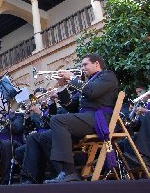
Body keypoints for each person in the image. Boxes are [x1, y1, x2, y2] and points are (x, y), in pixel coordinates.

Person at [45, 53, 119, 183]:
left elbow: (91, 91)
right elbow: (71, 106)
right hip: (87, 118)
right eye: (81, 65)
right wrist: (62, 86)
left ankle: (69, 172)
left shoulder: (107, 76)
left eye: (85, 64)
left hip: (99, 118)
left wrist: (73, 78)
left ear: (97, 64)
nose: (83, 68)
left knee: (57, 120)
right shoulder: (86, 83)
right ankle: (41, 177)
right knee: (41, 137)